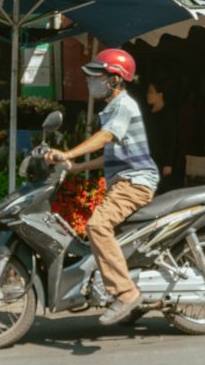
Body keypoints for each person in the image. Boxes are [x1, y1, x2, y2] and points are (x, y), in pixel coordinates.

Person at [46, 48, 159, 326]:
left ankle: (126, 292)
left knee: (97, 227)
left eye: (98, 76)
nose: (91, 81)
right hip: (125, 181)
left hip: (134, 182)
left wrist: (69, 153)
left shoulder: (122, 105)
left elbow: (105, 137)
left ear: (115, 80)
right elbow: (110, 153)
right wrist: (78, 167)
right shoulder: (111, 108)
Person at [145, 78, 178, 193]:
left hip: (161, 161)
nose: (147, 95)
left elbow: (171, 139)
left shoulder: (168, 115)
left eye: (151, 92)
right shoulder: (149, 114)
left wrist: (168, 163)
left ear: (160, 94)